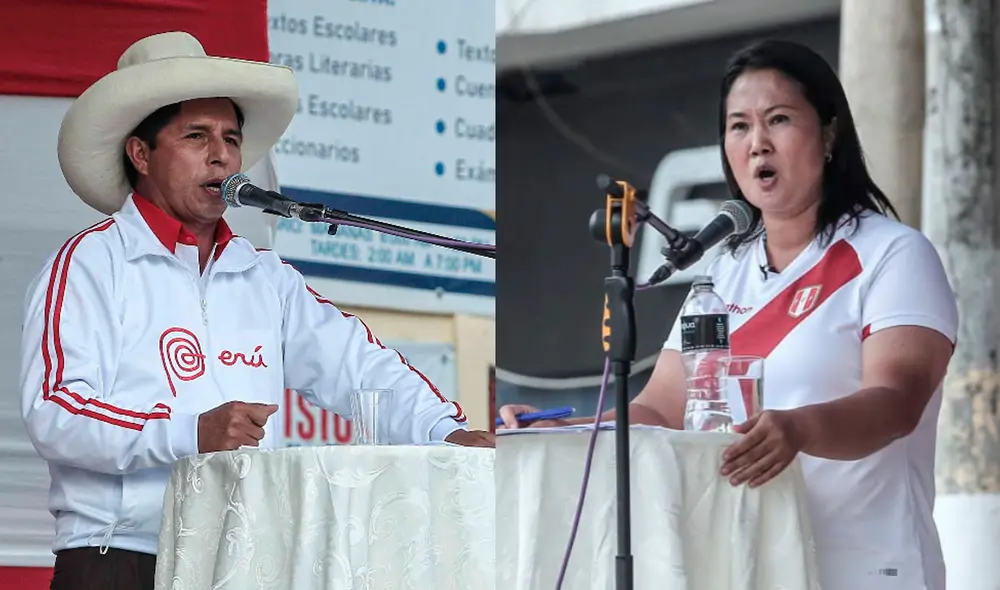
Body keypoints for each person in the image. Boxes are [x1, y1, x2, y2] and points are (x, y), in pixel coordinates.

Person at [20, 31, 494, 590]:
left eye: (230, 138)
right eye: (196, 135)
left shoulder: (264, 276)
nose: (220, 154)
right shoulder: (90, 263)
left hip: (245, 558)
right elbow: (56, 412)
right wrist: (190, 432)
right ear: (141, 153)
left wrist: (446, 432)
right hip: (122, 556)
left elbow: (362, 367)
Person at [499, 39, 957, 590]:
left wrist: (798, 428)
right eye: (739, 126)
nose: (757, 143)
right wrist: (555, 430)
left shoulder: (893, 254)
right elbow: (663, 410)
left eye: (779, 119)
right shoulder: (724, 272)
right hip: (750, 564)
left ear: (829, 133)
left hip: (864, 566)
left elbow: (896, 403)